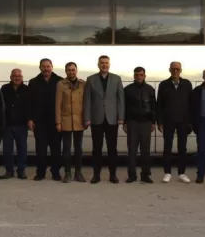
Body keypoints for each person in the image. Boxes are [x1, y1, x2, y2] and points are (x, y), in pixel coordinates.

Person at [84, 55, 124, 184]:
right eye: (102, 63)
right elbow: (87, 100)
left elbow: (120, 100)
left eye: (106, 63)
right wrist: (87, 118)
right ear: (98, 64)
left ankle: (113, 175)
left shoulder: (117, 79)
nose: (104, 65)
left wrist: (121, 117)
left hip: (112, 119)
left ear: (109, 64)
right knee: (97, 149)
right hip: (96, 119)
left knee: (112, 148)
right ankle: (96, 175)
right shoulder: (90, 80)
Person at [157, 61, 193, 184]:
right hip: (168, 121)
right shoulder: (163, 85)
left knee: (182, 148)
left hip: (183, 121)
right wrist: (159, 121)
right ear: (169, 70)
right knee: (167, 147)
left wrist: (190, 122)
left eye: (177, 69)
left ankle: (182, 173)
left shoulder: (187, 84)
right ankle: (167, 173)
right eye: (173, 69)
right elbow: (159, 105)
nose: (175, 71)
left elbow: (190, 104)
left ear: (181, 70)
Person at [28, 58, 63, 181]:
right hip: (39, 122)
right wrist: (30, 119)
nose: (46, 68)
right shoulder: (33, 82)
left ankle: (55, 173)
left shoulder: (60, 81)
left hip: (55, 121)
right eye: (43, 66)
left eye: (48, 66)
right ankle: (40, 173)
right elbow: (29, 103)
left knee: (56, 149)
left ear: (52, 67)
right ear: (40, 68)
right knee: (40, 149)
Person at [123, 66, 156, 184]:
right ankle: (132, 176)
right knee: (132, 150)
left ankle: (145, 175)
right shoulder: (127, 90)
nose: (139, 77)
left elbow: (153, 107)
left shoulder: (150, 89)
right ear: (134, 76)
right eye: (136, 75)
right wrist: (125, 122)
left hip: (146, 123)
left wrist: (153, 122)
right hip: (132, 123)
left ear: (144, 76)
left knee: (145, 150)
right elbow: (125, 108)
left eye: (141, 75)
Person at [55, 62, 86, 183]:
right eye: (69, 70)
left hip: (79, 121)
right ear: (65, 71)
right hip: (65, 120)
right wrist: (58, 122)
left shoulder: (83, 84)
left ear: (76, 70)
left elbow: (86, 103)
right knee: (66, 148)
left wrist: (86, 119)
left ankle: (78, 173)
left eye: (73, 70)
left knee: (78, 148)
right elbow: (58, 104)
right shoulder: (61, 84)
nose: (71, 72)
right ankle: (67, 173)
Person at [1, 68, 30, 179]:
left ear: (22, 77)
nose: (17, 78)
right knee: (7, 150)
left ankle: (21, 171)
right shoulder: (4, 88)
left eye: (19, 76)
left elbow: (30, 106)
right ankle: (9, 171)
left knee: (22, 149)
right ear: (10, 77)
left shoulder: (27, 89)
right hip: (7, 124)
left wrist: (29, 120)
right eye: (14, 76)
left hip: (22, 124)